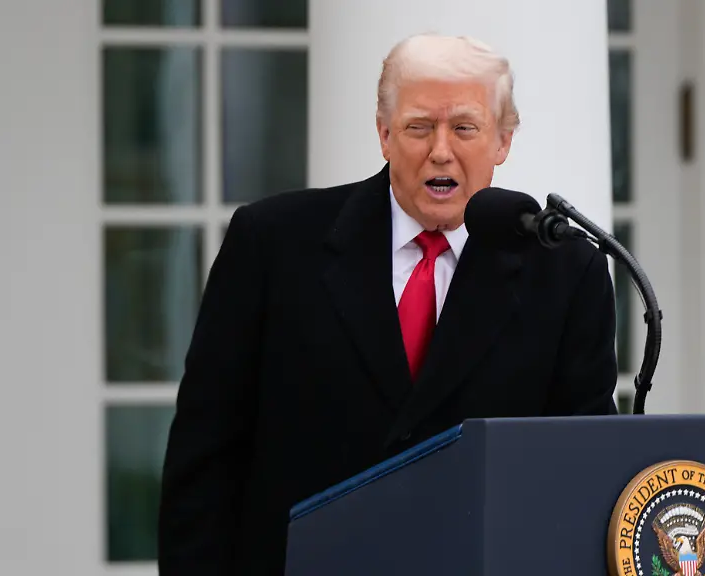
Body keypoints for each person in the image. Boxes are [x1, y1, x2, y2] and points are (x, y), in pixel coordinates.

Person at [157, 33, 619, 575]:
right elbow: (205, 460)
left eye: (465, 128)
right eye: (418, 127)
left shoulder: (566, 270)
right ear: (383, 134)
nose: (440, 150)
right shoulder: (273, 244)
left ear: (503, 141)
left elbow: (579, 470)